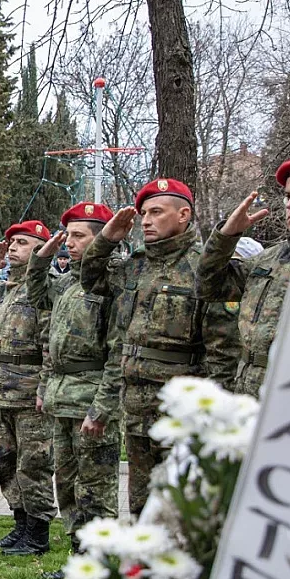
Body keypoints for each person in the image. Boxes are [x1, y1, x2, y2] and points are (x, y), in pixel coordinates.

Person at [81, 178, 241, 515]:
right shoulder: (136, 265)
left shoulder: (204, 268)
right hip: (136, 406)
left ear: (183, 215)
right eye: (143, 214)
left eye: (156, 212)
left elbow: (222, 349)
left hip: (180, 408)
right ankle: (144, 565)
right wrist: (107, 238)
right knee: (140, 502)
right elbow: (92, 279)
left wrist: (213, 412)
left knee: (180, 505)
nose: (146, 220)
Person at [195, 150, 290, 397]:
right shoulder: (269, 258)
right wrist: (226, 237)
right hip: (248, 395)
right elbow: (208, 286)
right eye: (288, 195)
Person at [27, 204, 121, 579]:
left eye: (79, 235)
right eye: (68, 236)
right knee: (66, 482)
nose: (71, 243)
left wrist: (102, 408)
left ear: (103, 236)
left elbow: (118, 351)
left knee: (95, 487)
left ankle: (98, 564)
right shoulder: (68, 283)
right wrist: (44, 252)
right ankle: (77, 556)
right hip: (63, 395)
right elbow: (37, 291)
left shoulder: (112, 283)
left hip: (91, 397)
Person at [0, 220, 58, 556]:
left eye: (22, 243)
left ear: (41, 249)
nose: (12, 248)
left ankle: (38, 534)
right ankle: (20, 526)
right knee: (7, 461)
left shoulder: (46, 287)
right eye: (11, 242)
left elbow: (50, 341)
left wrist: (44, 387)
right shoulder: (9, 286)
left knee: (34, 464)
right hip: (4, 391)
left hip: (29, 392)